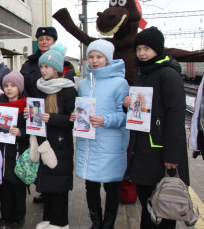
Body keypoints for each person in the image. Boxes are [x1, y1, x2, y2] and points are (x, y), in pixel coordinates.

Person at [122, 27, 189, 229]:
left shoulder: (168, 74)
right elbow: (144, 111)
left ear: (157, 50)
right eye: (139, 49)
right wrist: (130, 106)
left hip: (161, 153)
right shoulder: (143, 72)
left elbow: (175, 117)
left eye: (147, 48)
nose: (141, 53)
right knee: (148, 204)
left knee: (164, 206)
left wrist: (173, 158)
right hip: (143, 148)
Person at [72, 40, 129, 229]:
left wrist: (105, 120)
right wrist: (76, 115)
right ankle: (96, 223)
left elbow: (125, 116)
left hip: (110, 142)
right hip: (88, 141)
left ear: (107, 59)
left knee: (111, 185)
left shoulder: (120, 83)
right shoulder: (84, 84)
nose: (94, 61)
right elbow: (82, 109)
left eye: (99, 57)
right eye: (91, 56)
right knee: (91, 185)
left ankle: (108, 224)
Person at [23, 44, 76, 229]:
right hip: (44, 141)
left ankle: (61, 222)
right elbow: (36, 114)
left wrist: (51, 118)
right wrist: (29, 115)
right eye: (42, 67)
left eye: (47, 67)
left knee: (59, 184)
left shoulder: (68, 89)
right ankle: (49, 219)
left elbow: (72, 120)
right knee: (48, 183)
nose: (43, 70)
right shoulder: (40, 88)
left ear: (57, 69)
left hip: (60, 143)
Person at [0, 71, 28, 228]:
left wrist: (21, 133)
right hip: (2, 151)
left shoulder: (26, 106)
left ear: (20, 87)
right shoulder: (0, 103)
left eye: (13, 86)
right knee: (4, 185)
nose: (9, 89)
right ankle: (6, 215)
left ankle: (19, 217)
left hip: (18, 151)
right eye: (6, 85)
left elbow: (33, 130)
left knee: (17, 185)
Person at [20, 27, 75, 97]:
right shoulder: (28, 65)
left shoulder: (64, 66)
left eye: (48, 39)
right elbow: (21, 87)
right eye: (40, 39)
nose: (44, 42)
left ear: (54, 42)